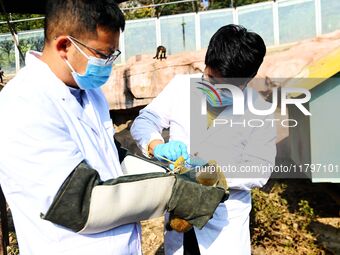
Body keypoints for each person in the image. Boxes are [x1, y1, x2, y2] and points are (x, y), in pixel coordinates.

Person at [0, 1, 227, 254]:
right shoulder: (24, 103)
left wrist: (170, 171)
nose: (108, 64)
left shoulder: (90, 93)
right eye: (103, 55)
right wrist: (173, 192)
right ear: (65, 45)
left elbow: (110, 159)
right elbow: (77, 203)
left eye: (113, 55)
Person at [131, 24, 277, 255]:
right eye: (210, 79)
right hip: (180, 212)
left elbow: (260, 170)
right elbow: (145, 120)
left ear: (247, 80)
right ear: (206, 64)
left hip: (224, 228)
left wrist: (210, 175)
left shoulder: (260, 109)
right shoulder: (181, 87)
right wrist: (156, 145)